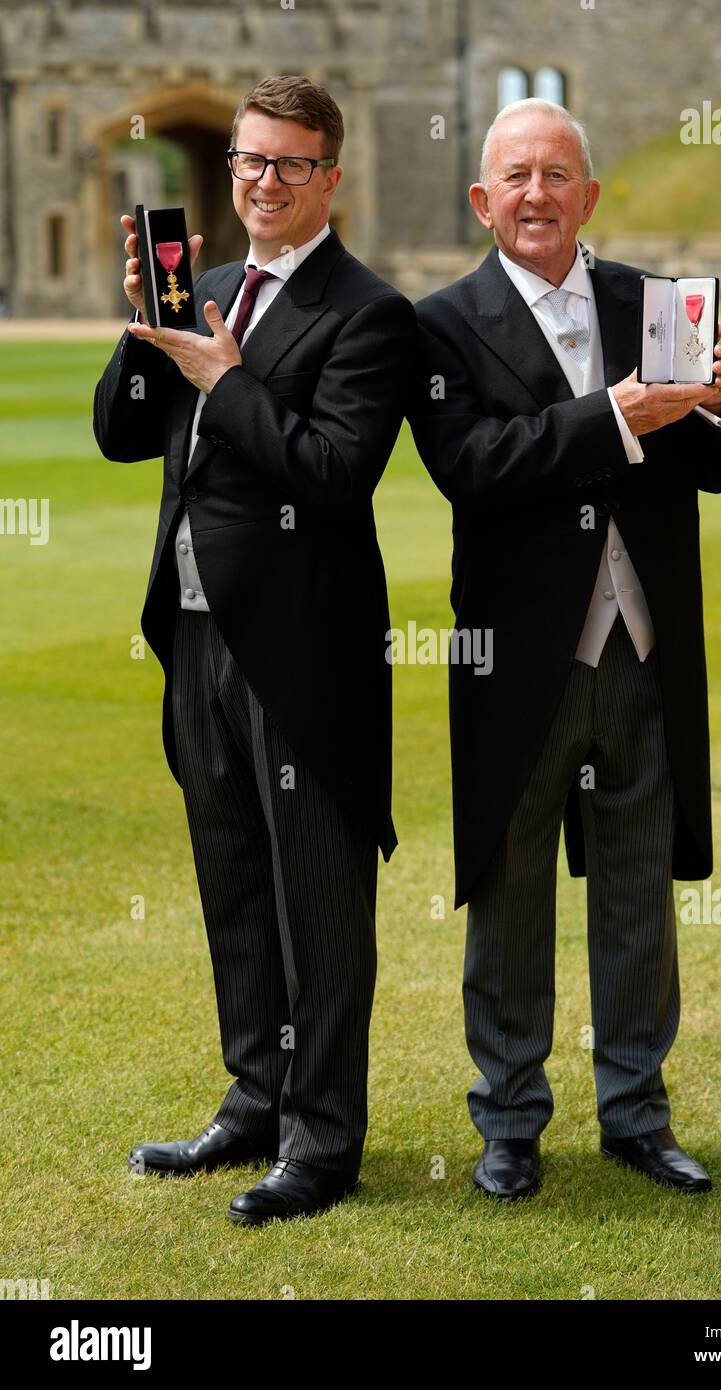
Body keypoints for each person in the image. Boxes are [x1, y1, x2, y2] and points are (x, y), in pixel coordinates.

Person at [408, 98, 721, 1201]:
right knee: (511, 891)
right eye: (514, 176)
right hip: (520, 659)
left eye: (557, 175)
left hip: (641, 649)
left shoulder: (654, 302)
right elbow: (471, 464)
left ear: (590, 196)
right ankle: (509, 1119)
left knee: (636, 885)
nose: (535, 194)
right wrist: (615, 418)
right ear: (482, 198)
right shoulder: (443, 324)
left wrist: (714, 403)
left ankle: (636, 1113)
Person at [93, 75, 415, 1224]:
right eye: (245, 160)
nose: (260, 182)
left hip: (302, 651)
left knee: (318, 901)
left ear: (331, 177)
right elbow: (124, 437)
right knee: (232, 882)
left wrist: (224, 380)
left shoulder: (371, 313)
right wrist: (144, 329)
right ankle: (256, 1096)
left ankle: (323, 1140)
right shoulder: (211, 285)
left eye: (286, 165)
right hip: (191, 637)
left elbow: (332, 473)